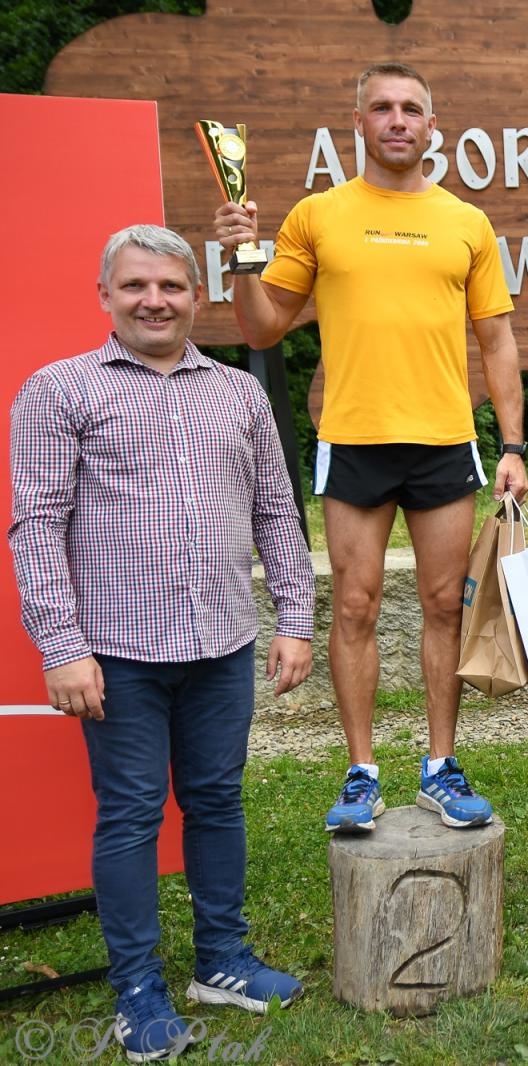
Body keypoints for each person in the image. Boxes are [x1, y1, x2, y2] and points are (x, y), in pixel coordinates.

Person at [8, 225, 315, 1060]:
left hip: (222, 643)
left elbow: (275, 511)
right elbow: (36, 527)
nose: (155, 301)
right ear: (105, 295)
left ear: (195, 295)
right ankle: (138, 988)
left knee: (217, 800)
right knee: (132, 814)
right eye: (137, 285)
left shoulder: (239, 394)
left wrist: (295, 618)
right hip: (118, 655)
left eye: (172, 286)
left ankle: (221, 960)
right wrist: (62, 647)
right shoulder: (59, 391)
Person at [213, 62, 528, 834]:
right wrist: (241, 258)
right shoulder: (318, 216)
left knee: (442, 607)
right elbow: (262, 327)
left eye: (411, 108)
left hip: (443, 441)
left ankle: (441, 768)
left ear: (432, 126)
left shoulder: (467, 222)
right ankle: (361, 774)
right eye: (382, 107)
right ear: (357, 122)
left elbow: (497, 341)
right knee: (354, 606)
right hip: (354, 439)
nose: (397, 120)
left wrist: (514, 444)